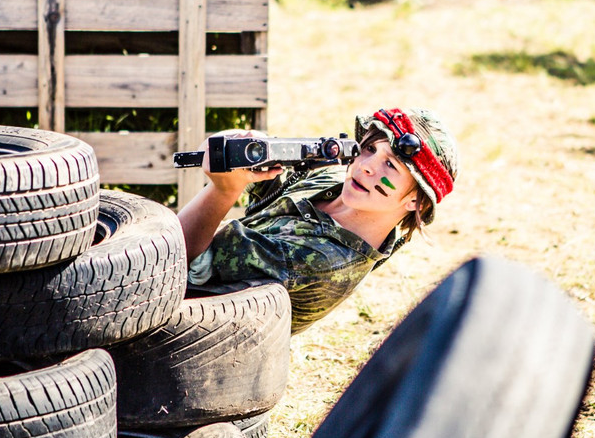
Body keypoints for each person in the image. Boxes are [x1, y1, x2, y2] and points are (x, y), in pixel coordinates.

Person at [178, 107, 459, 334]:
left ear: (416, 202)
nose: (365, 166)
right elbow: (271, 194)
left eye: (390, 165)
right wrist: (240, 151)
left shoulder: (319, 260)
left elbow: (178, 260)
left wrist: (223, 190)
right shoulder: (340, 184)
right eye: (370, 148)